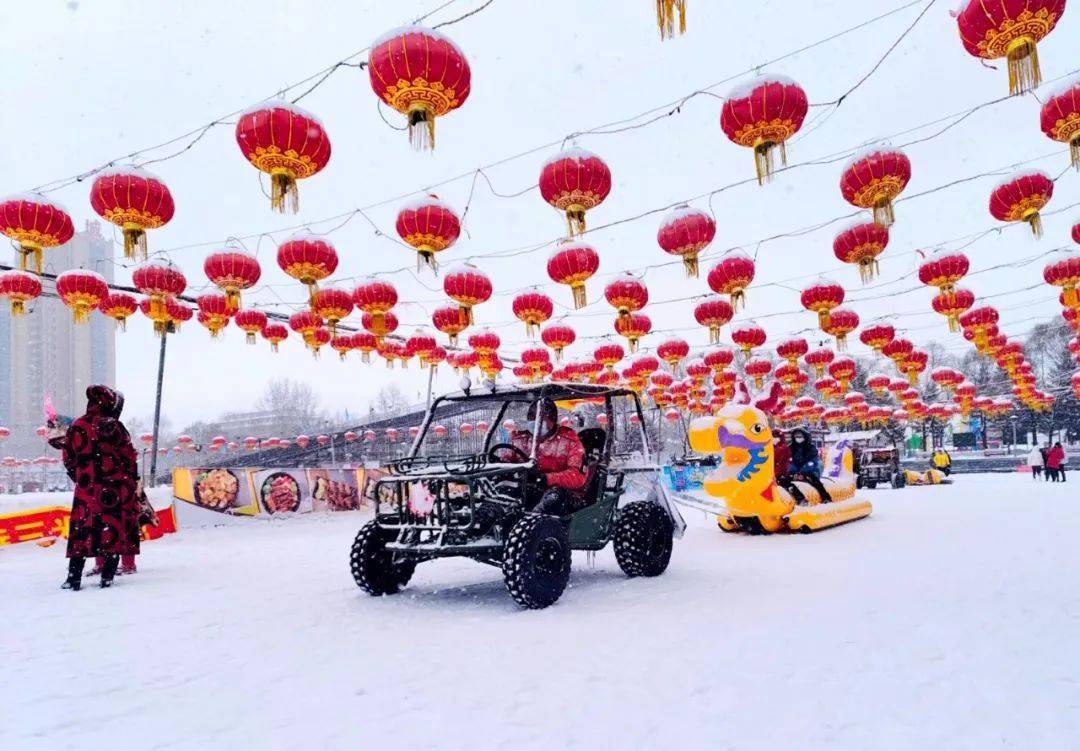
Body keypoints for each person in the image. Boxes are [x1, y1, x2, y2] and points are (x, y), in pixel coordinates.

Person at [47, 386, 141, 591]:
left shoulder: (78, 425)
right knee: (112, 530)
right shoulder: (114, 427)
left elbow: (68, 458)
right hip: (114, 491)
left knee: (82, 530)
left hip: (86, 490)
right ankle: (107, 577)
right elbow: (129, 458)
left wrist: (82, 478)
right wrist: (128, 481)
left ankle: (73, 577)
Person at [501, 399, 587, 516]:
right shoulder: (521, 440)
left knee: (553, 497)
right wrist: (503, 469)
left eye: (541, 419)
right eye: (531, 418)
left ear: (552, 420)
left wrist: (546, 479)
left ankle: (532, 524)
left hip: (561, 494)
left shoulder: (569, 441)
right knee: (502, 494)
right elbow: (506, 460)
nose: (535, 423)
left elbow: (578, 476)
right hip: (526, 489)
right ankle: (479, 526)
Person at [788, 428, 832, 503]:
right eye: (796, 436)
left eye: (800, 436)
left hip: (809, 471)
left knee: (815, 481)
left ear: (804, 436)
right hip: (794, 471)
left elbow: (813, 461)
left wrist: (802, 471)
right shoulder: (791, 448)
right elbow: (789, 461)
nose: (798, 438)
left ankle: (825, 497)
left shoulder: (811, 448)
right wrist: (794, 471)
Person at [772, 430, 806, 504]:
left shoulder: (783, 448)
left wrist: (778, 473)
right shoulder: (772, 448)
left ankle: (801, 499)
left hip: (783, 472)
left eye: (775, 437)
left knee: (785, 483)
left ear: (780, 438)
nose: (773, 438)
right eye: (772, 437)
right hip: (773, 473)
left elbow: (782, 461)